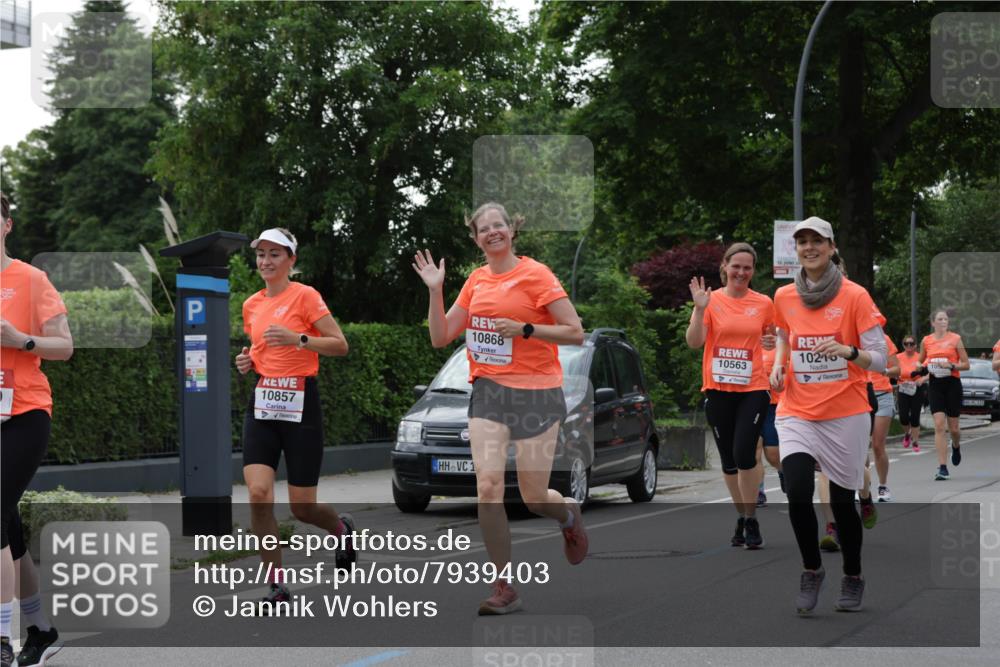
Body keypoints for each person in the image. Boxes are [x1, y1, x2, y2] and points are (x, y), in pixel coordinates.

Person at [412, 202, 587, 615]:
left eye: (499, 225)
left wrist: (526, 329)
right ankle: (504, 586)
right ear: (476, 239)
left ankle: (566, 516)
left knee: (532, 496)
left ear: (512, 230)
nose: (492, 232)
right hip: (489, 390)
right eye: (483, 228)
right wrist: (436, 291)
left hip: (538, 392)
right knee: (488, 487)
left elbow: (575, 332)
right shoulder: (475, 282)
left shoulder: (536, 274)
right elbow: (440, 337)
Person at [770, 216, 888, 614]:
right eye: (802, 241)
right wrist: (778, 363)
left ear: (832, 247)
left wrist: (850, 353)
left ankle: (852, 575)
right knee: (798, 490)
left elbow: (882, 359)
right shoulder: (784, 296)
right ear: (796, 249)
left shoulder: (855, 296)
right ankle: (812, 569)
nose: (809, 247)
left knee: (841, 502)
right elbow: (785, 334)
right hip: (797, 409)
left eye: (817, 241)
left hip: (846, 411)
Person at [236, 228, 355, 612]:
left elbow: (339, 345)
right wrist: (246, 361)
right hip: (264, 403)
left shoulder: (306, 296)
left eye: (274, 254)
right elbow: (259, 352)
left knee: (303, 507)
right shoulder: (251, 304)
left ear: (291, 260)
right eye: (261, 255)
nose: (266, 261)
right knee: (258, 495)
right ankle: (276, 585)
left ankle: (342, 531)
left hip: (301, 403)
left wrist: (299, 339)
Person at [1, 193, 73, 666]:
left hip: (24, 412)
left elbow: (65, 346)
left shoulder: (30, 278)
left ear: (6, 224)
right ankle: (41, 629)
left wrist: (19, 339)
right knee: (9, 530)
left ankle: (1, 641)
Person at [686, 242, 775, 550]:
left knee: (744, 453)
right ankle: (741, 515)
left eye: (747, 267)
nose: (741, 272)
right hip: (718, 389)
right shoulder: (710, 302)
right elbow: (695, 342)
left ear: (753, 270)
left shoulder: (764, 303)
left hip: (753, 388)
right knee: (728, 460)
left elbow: (773, 339)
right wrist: (699, 309)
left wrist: (770, 341)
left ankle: (751, 518)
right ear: (724, 267)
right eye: (735, 266)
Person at [915, 309, 970, 480]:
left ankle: (956, 445)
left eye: (945, 319)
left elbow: (966, 364)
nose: (943, 321)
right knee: (939, 425)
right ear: (933, 323)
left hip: (952, 384)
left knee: (953, 428)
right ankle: (942, 467)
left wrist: (952, 366)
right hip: (935, 385)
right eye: (939, 319)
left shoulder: (956, 339)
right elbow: (920, 359)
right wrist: (920, 367)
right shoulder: (927, 340)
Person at [868, 334, 900, 502]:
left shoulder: (885, 340)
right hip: (859, 395)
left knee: (878, 445)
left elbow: (897, 369)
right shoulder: (851, 337)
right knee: (859, 447)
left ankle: (883, 486)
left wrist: (885, 371)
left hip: (882, 395)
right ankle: (863, 486)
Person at [896, 335, 926, 452]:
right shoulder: (898, 357)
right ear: (903, 345)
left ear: (915, 345)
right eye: (906, 344)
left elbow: (928, 371)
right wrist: (895, 376)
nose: (909, 346)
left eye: (911, 344)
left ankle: (915, 442)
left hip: (917, 388)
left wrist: (922, 379)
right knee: (903, 416)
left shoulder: (920, 357)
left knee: (915, 416)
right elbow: (892, 370)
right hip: (903, 387)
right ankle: (907, 433)